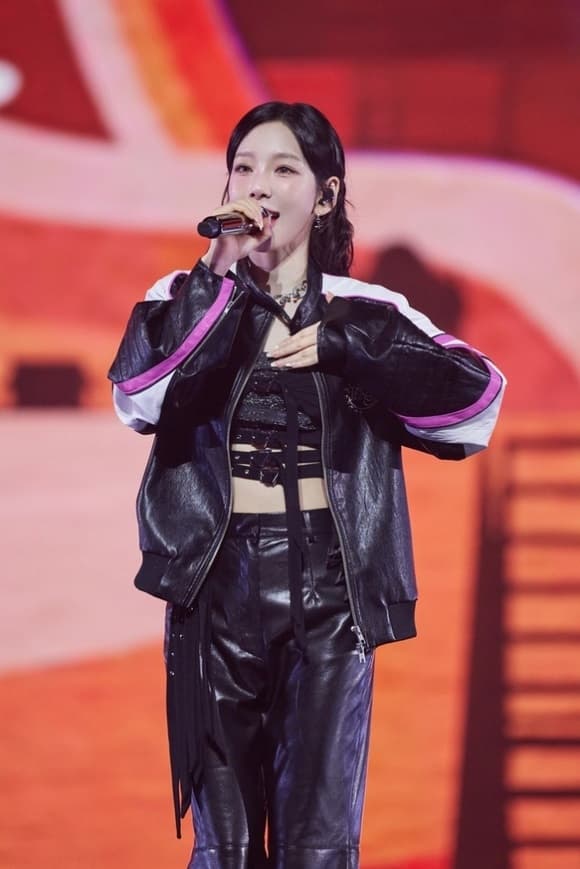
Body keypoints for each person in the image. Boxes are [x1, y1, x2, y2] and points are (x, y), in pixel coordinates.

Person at [108, 101, 506, 869]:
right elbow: (139, 396)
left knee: (316, 847)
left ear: (324, 196)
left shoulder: (369, 310)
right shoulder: (186, 294)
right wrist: (218, 272)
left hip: (332, 592)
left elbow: (476, 403)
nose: (258, 185)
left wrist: (350, 348)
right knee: (224, 849)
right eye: (244, 167)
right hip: (214, 591)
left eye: (282, 168)